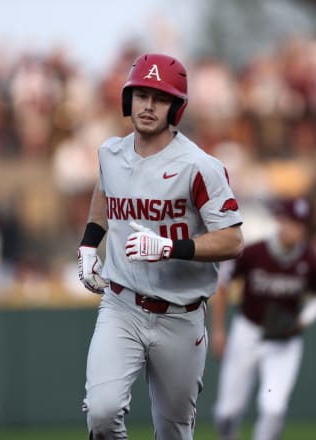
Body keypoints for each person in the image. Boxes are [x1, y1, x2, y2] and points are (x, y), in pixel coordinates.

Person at [77, 53, 244, 440]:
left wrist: (171, 246)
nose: (148, 105)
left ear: (176, 107)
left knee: (173, 433)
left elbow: (233, 240)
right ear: (128, 100)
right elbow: (105, 189)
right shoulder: (110, 154)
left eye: (160, 97)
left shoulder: (199, 166)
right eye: (141, 95)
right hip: (122, 304)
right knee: (102, 416)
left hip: (180, 314)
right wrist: (89, 245)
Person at [211, 197, 316, 440]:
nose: (292, 228)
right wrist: (218, 330)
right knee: (227, 413)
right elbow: (223, 285)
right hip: (248, 331)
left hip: (282, 340)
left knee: (274, 409)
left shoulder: (311, 260)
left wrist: (303, 320)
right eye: (289, 222)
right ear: (279, 221)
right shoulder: (255, 253)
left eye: (299, 224)